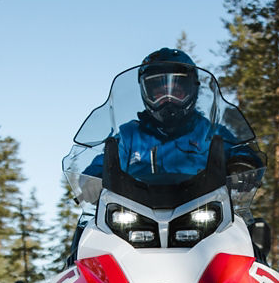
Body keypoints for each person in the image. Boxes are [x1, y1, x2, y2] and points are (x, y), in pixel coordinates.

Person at [78, 47, 262, 203]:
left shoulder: (208, 132)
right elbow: (104, 162)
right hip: (136, 214)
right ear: (146, 93)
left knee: (247, 229)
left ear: (192, 90)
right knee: (90, 230)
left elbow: (240, 151)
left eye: (176, 92)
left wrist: (243, 165)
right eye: (159, 93)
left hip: (202, 211)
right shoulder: (130, 136)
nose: (168, 100)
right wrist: (93, 179)